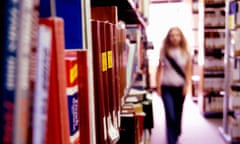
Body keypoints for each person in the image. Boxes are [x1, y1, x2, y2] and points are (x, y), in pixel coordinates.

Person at [155, 27, 192, 144]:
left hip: (180, 87)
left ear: (181, 37)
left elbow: (188, 71)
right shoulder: (164, 52)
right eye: (172, 35)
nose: (174, 37)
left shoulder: (186, 52)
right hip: (166, 87)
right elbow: (159, 69)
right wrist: (158, 86)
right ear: (168, 37)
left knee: (178, 113)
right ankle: (171, 141)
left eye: (177, 35)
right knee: (170, 114)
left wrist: (187, 86)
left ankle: (176, 131)